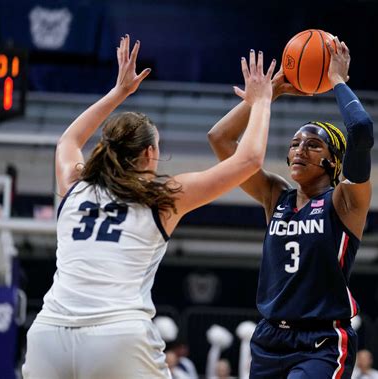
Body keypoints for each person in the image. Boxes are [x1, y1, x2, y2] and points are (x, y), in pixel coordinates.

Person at [22, 35, 276, 379]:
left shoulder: (75, 186)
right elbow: (248, 160)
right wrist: (262, 101)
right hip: (116, 333)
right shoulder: (161, 197)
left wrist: (118, 93)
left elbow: (68, 140)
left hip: (48, 334)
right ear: (148, 154)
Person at [208, 36, 374, 379]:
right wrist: (271, 94)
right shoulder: (276, 195)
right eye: (296, 143)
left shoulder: (345, 201)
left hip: (322, 341)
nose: (300, 150)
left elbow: (360, 129)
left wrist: (338, 80)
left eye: (313, 145)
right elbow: (220, 139)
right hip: (270, 338)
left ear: (333, 161)